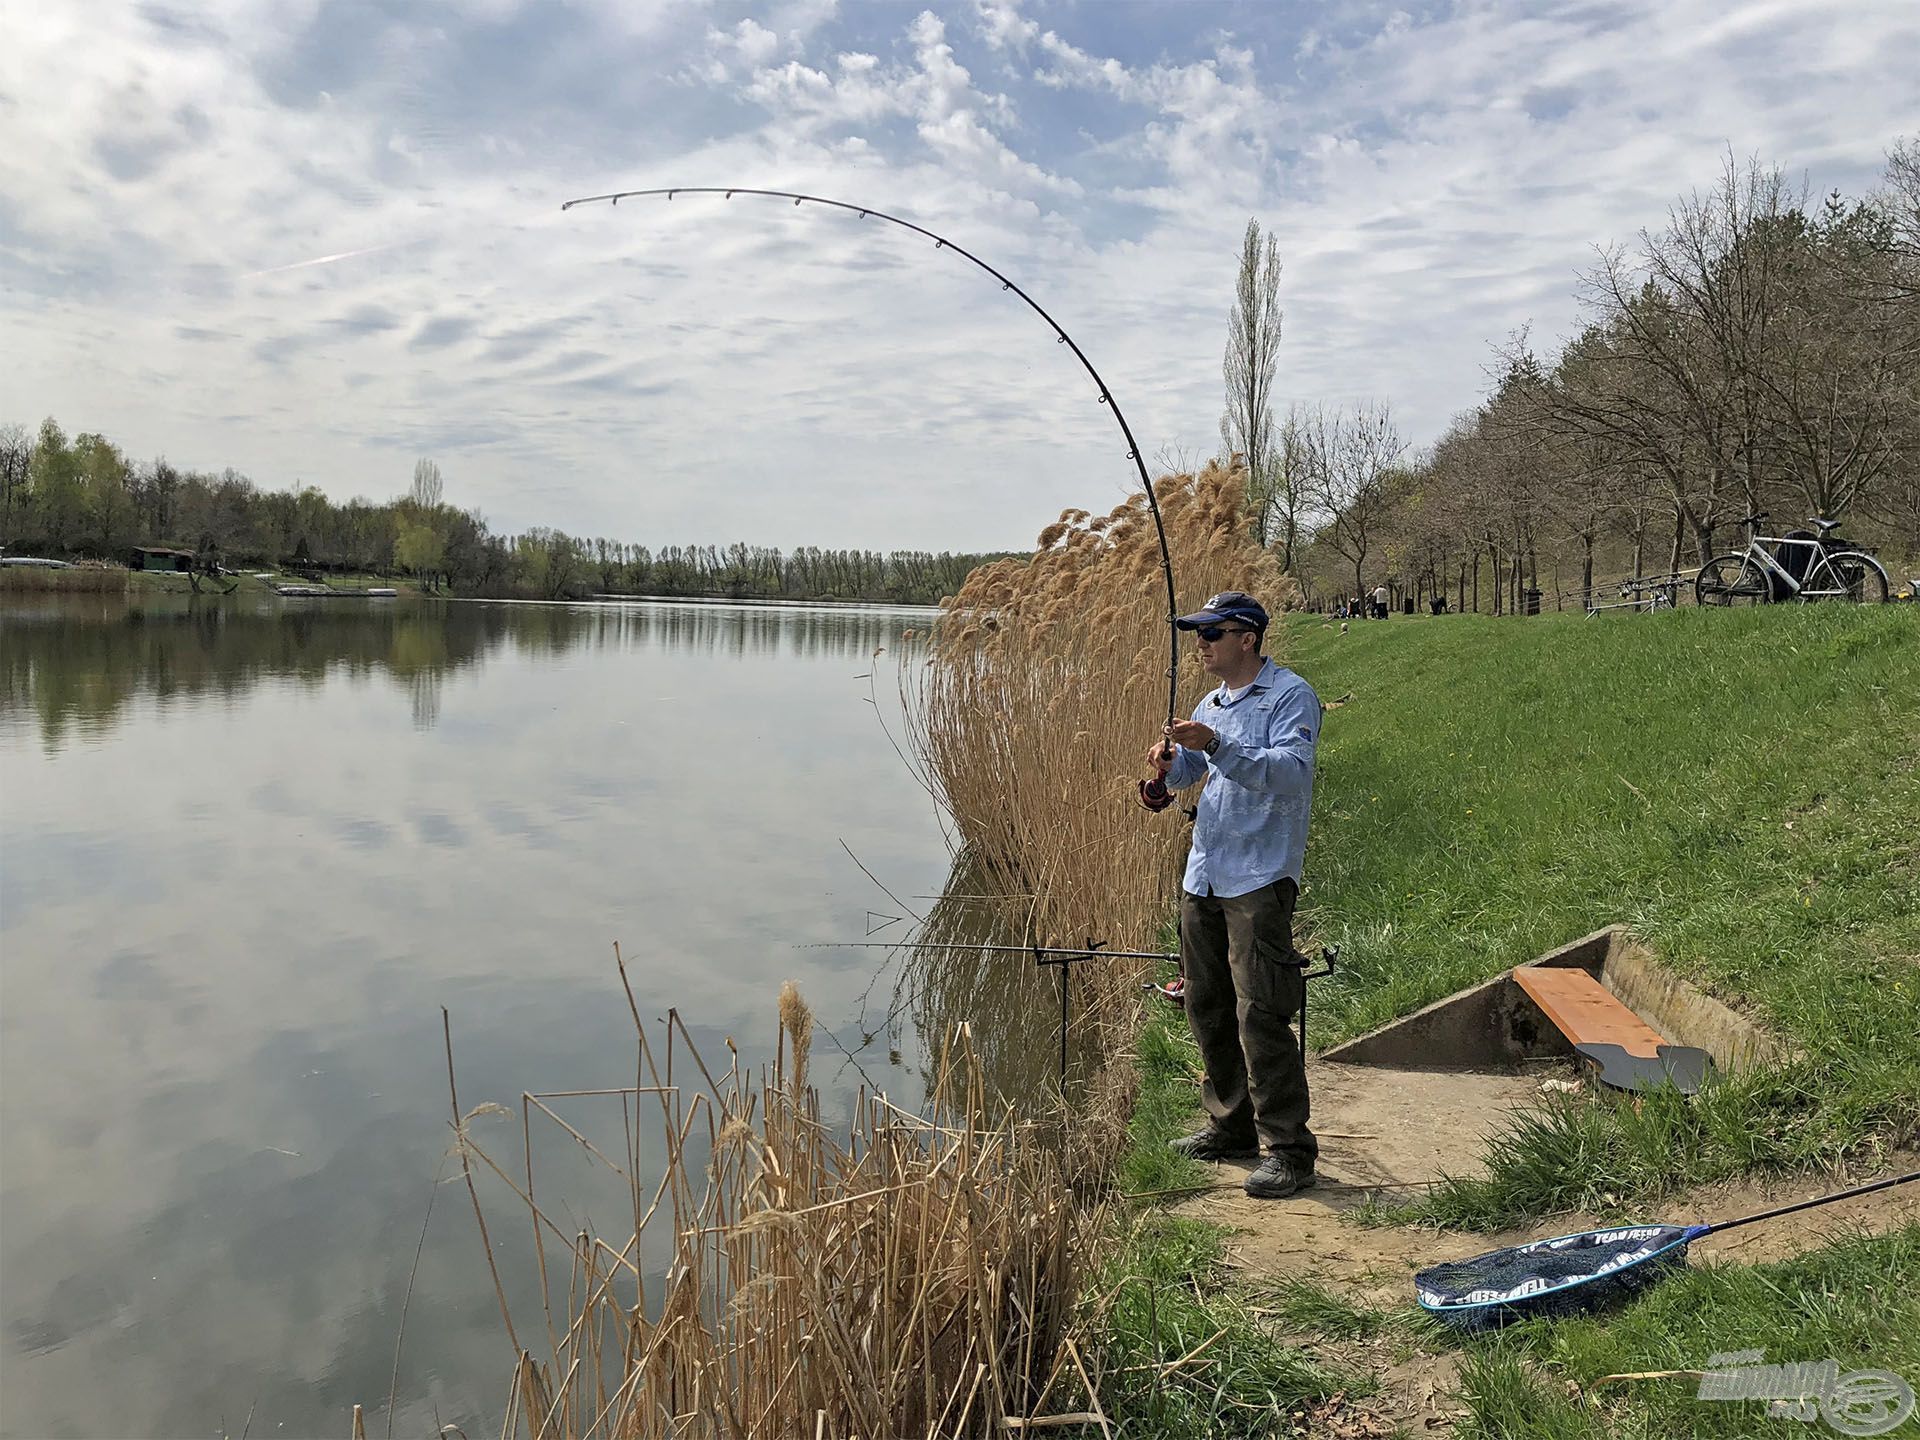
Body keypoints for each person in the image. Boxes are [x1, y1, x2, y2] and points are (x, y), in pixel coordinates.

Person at [1143, 590, 1320, 1199]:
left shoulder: (1291, 695)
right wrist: (1170, 768)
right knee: (1207, 1003)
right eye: (1197, 632)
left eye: (1212, 632)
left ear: (1247, 638)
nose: (1201, 642)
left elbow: (1291, 774)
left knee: (1261, 1010)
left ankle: (1289, 1150)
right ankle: (1231, 1127)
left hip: (1259, 876)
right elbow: (1197, 774)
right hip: (1206, 874)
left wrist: (1214, 743)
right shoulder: (1210, 702)